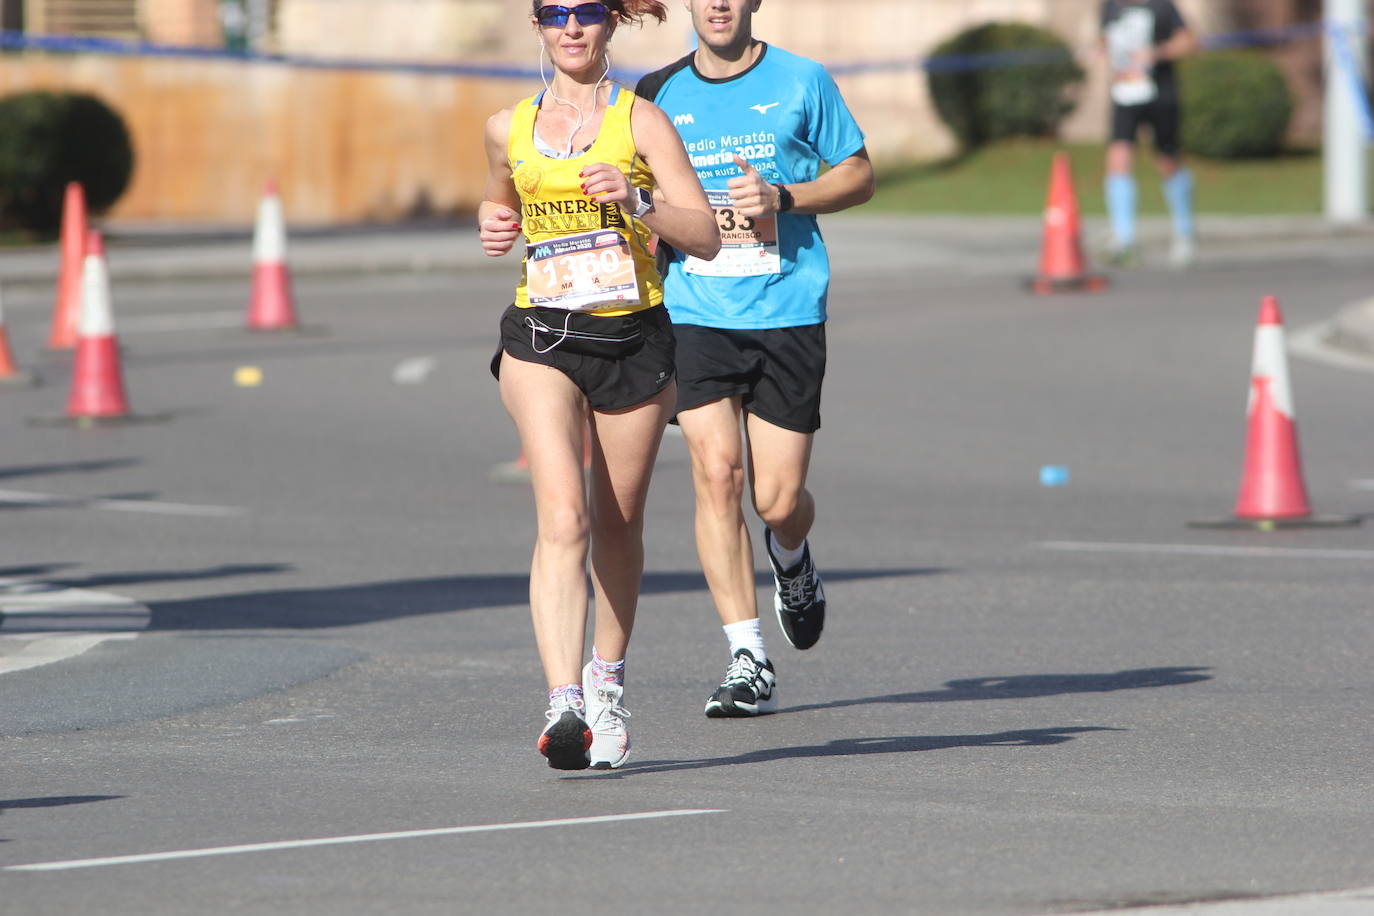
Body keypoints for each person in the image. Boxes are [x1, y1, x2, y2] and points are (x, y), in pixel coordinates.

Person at [479, 0, 718, 769]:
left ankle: (606, 684)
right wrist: (493, 222)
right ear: (538, 25)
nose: (571, 26)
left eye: (586, 12)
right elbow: (499, 198)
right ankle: (564, 703)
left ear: (611, 24)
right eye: (556, 12)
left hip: (632, 341)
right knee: (564, 519)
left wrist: (640, 201)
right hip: (541, 337)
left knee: (617, 524)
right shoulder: (505, 126)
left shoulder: (642, 121)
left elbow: (706, 234)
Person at [635, 0, 874, 718]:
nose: (716, 4)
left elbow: (859, 174)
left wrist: (785, 195)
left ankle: (793, 557)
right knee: (716, 474)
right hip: (695, 310)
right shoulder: (657, 93)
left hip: (787, 309)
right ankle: (747, 657)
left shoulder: (803, 81)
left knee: (775, 500)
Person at [1101, 0, 1199, 267]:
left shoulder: (1162, 6)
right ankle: (1124, 237)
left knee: (1167, 159)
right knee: (1118, 157)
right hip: (1125, 92)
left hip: (1160, 93)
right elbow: (1105, 41)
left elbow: (1187, 41)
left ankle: (1184, 231)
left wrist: (1156, 52)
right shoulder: (1110, 6)